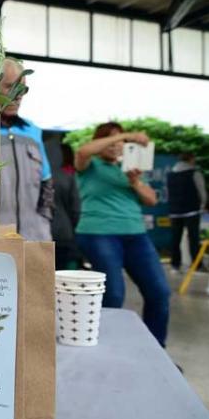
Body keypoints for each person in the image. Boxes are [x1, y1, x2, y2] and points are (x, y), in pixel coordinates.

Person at [74, 122, 170, 346]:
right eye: (110, 139)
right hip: (99, 234)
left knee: (159, 292)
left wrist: (134, 181)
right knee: (114, 294)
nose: (116, 143)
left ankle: (156, 349)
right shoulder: (90, 165)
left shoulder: (128, 168)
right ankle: (105, 347)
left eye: (120, 141)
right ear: (101, 141)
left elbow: (151, 199)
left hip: (136, 235)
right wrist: (128, 135)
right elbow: (83, 151)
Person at [0, 59, 53, 241]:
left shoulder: (33, 132)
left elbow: (47, 184)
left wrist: (43, 220)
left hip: (33, 238)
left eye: (22, 89)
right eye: (9, 87)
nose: (18, 95)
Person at [167, 153, 207, 272]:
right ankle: (197, 265)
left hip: (175, 210)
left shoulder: (170, 174)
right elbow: (202, 191)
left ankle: (175, 264)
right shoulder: (195, 173)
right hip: (192, 210)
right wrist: (203, 205)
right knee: (193, 238)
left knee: (175, 238)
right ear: (190, 159)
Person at [53, 143, 81, 270]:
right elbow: (76, 209)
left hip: (35, 233)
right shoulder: (69, 176)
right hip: (64, 232)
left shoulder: (32, 176)